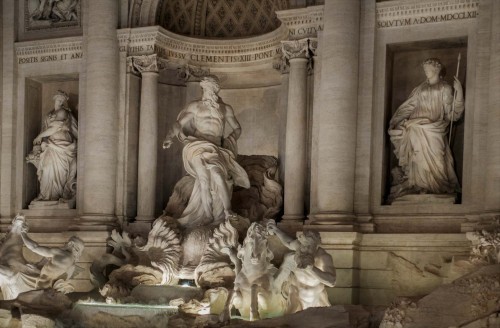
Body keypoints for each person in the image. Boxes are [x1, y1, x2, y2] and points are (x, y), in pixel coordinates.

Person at [163, 76, 250, 228]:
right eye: (205, 88)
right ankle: (208, 215)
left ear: (216, 89)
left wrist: (230, 140)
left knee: (217, 174)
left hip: (215, 148)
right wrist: (169, 137)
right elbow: (178, 124)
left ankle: (228, 210)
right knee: (203, 179)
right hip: (197, 146)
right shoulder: (195, 106)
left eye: (210, 88)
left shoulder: (225, 108)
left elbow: (237, 128)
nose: (207, 91)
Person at [388, 58, 464, 200]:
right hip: (415, 126)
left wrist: (459, 93)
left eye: (428, 69)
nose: (425, 71)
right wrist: (397, 121)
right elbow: (409, 106)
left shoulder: (445, 88)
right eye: (425, 69)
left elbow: (452, 114)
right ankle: (419, 185)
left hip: (435, 128)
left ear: (436, 70)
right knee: (417, 156)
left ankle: (439, 187)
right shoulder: (420, 88)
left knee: (438, 160)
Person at [267, 221, 336, 312]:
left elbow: (332, 281)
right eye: (304, 246)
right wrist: (276, 230)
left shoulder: (323, 257)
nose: (305, 249)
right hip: (295, 296)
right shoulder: (300, 247)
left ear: (316, 246)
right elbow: (288, 242)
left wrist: (311, 269)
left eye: (309, 247)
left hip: (315, 298)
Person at [28, 90, 78, 203]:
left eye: (63, 100)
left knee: (60, 172)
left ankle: (56, 195)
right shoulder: (49, 115)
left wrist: (38, 137)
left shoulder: (64, 112)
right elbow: (46, 130)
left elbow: (55, 128)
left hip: (62, 147)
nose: (60, 102)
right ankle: (45, 195)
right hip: (50, 146)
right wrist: (41, 143)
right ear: (55, 99)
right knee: (47, 168)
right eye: (59, 99)